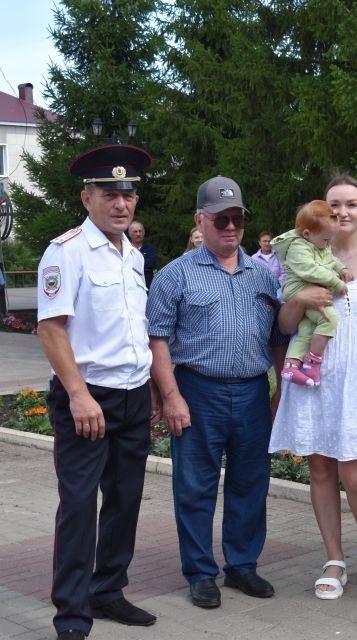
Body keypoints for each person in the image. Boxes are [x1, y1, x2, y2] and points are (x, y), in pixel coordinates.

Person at [147, 175, 287, 609]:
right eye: (220, 218)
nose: (230, 227)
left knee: (251, 483)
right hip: (197, 390)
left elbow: (279, 339)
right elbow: (157, 339)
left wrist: (282, 388)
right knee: (195, 486)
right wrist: (171, 397)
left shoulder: (263, 278)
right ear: (200, 220)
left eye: (237, 219)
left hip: (250, 392)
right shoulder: (175, 274)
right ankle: (200, 572)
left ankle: (243, 566)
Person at [36, 144, 156, 640]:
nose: (121, 204)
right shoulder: (66, 251)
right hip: (87, 398)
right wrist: (79, 394)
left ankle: (108, 591)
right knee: (81, 507)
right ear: (87, 198)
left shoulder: (132, 254)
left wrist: (147, 388)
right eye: (110, 194)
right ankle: (71, 617)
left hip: (131, 395)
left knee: (126, 500)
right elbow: (51, 329)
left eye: (127, 194)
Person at [269, 175, 357, 600]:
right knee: (321, 468)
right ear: (321, 213)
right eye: (333, 206)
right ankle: (333, 558)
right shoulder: (301, 258)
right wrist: (300, 299)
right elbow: (286, 326)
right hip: (317, 377)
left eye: (351, 204)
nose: (342, 213)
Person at [271, 201, 351, 386]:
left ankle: (291, 367)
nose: (329, 243)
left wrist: (342, 268)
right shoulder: (298, 247)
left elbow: (330, 259)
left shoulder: (319, 242)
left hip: (309, 288)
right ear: (307, 233)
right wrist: (336, 282)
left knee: (307, 330)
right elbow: (310, 270)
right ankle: (311, 363)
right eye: (326, 239)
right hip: (298, 288)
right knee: (328, 319)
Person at [128, 220, 159, 287]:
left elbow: (150, 264)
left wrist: (131, 263)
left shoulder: (151, 248)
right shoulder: (125, 249)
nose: (138, 234)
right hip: (129, 285)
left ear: (144, 233)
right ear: (130, 234)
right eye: (135, 232)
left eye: (140, 231)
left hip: (147, 285)